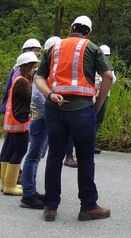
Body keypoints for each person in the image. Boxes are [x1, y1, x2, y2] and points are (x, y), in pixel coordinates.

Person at [34, 15, 113, 222]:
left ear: (71, 28)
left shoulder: (55, 47)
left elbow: (39, 77)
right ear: (88, 32)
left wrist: (50, 94)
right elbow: (108, 76)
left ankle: (50, 206)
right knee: (85, 157)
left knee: (54, 156)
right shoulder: (92, 48)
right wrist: (98, 103)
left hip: (54, 108)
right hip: (82, 111)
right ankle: (88, 206)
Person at [20, 37, 60, 208]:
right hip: (40, 119)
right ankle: (27, 194)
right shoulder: (42, 71)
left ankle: (32, 190)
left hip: (45, 119)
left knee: (38, 156)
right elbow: (37, 97)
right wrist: (50, 113)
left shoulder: (50, 69)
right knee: (33, 156)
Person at [1, 52, 38, 196]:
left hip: (14, 119)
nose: (34, 69)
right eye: (32, 66)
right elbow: (31, 98)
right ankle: (10, 185)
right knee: (20, 151)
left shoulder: (17, 79)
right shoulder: (22, 81)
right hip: (20, 120)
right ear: (26, 66)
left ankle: (4, 183)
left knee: (9, 151)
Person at [1, 39, 42, 114]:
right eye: (37, 50)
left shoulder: (25, 68)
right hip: (17, 109)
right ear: (27, 50)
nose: (39, 54)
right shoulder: (19, 70)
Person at [95, 44, 116, 154]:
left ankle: (91, 143)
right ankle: (88, 143)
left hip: (104, 95)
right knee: (92, 119)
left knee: (99, 119)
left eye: (107, 55)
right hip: (93, 95)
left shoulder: (108, 66)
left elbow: (113, 80)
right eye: (104, 55)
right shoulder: (92, 64)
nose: (106, 57)